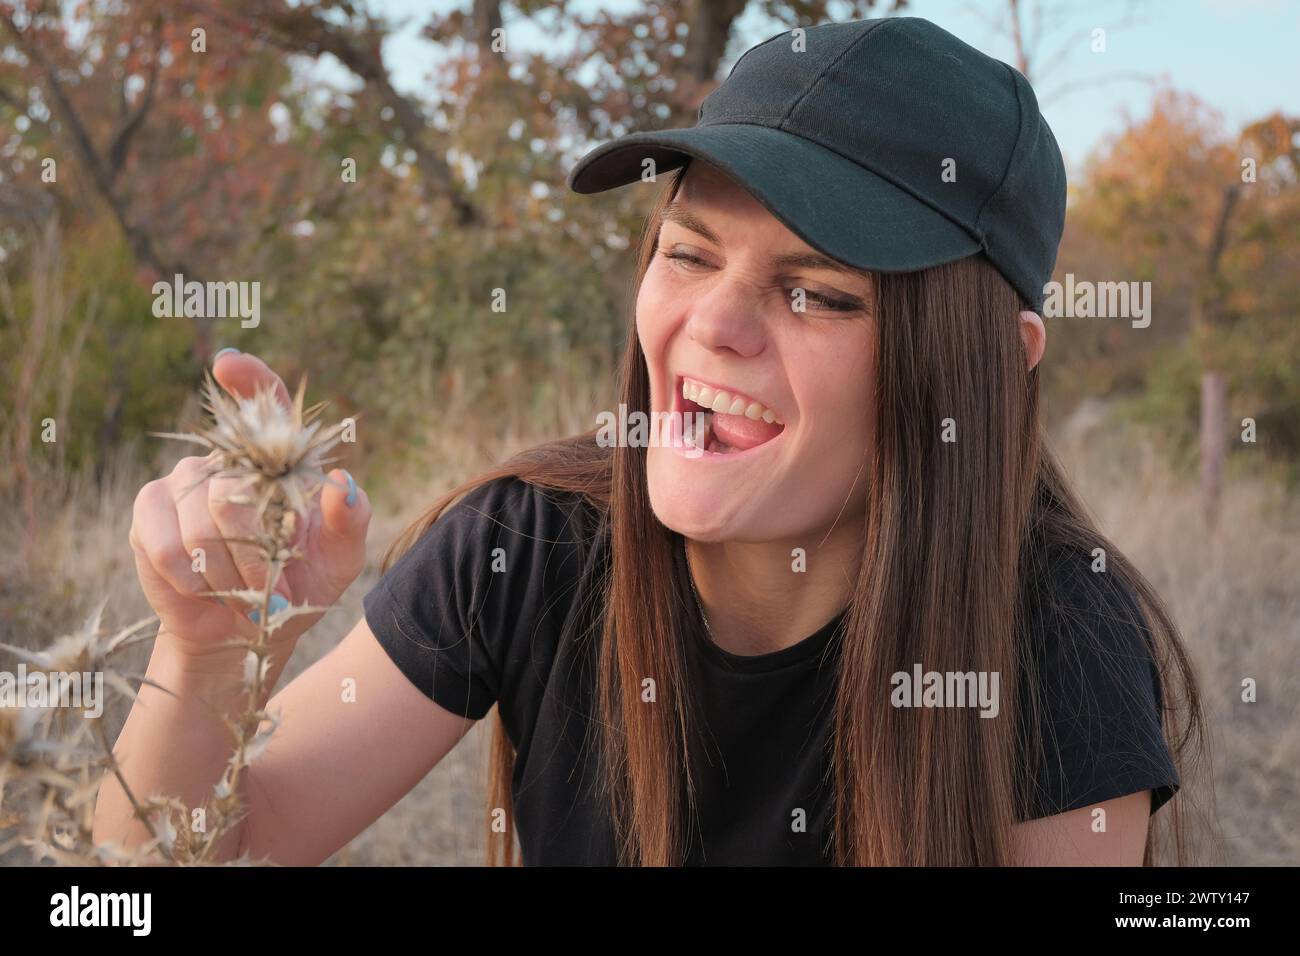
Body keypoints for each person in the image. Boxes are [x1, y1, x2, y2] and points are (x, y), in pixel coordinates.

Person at [96, 16, 1202, 866]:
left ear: (999, 366)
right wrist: (205, 651)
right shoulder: (527, 545)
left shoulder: (1059, 636)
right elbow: (174, 865)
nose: (710, 327)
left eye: (816, 293)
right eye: (687, 253)